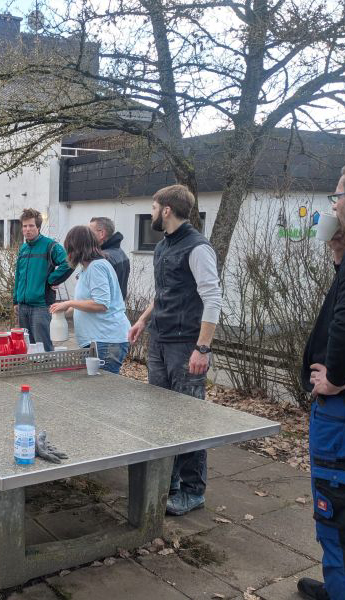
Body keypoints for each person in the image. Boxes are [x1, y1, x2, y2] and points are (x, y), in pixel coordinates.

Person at [128, 185, 222, 517]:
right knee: (161, 417)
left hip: (186, 347)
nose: (151, 213)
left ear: (167, 210)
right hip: (160, 339)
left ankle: (193, 490)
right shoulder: (164, 246)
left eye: (153, 207)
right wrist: (142, 320)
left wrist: (202, 348)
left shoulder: (198, 248)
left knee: (188, 419)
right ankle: (169, 483)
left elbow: (212, 299)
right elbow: (164, 292)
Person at [296, 157, 345, 600]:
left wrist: (336, 376)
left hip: (344, 417)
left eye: (337, 196)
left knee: (338, 512)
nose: (333, 204)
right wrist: (341, 254)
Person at [50, 226, 130, 374]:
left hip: (106, 340)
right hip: (98, 341)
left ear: (77, 248)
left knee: (102, 391)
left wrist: (69, 302)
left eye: (69, 248)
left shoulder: (96, 267)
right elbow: (85, 304)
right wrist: (61, 311)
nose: (68, 253)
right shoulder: (87, 269)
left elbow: (101, 304)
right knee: (96, 391)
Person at [13, 208, 73, 352]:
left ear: (38, 227)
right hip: (23, 306)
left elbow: (69, 263)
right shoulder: (23, 249)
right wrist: (16, 300)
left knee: (43, 347)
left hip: (41, 306)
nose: (27, 229)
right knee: (28, 347)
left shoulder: (50, 246)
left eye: (31, 226)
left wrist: (52, 279)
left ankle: (47, 372)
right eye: (25, 226)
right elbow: (19, 276)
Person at [90, 216, 130, 301]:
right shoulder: (121, 253)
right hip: (117, 309)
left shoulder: (103, 258)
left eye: (90, 232)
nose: (87, 236)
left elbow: (98, 298)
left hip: (104, 312)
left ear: (102, 234)